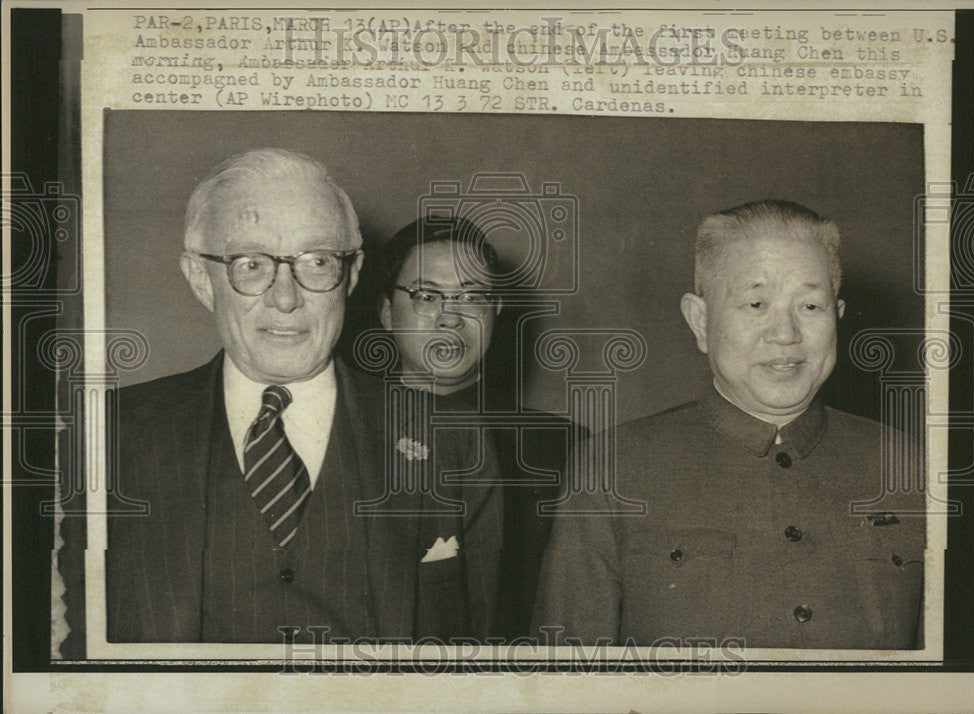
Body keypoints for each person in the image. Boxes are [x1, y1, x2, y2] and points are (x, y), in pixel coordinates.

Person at [96, 148, 501, 644]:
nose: (285, 298)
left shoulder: (452, 442)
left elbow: (476, 650)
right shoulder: (106, 434)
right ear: (202, 279)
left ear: (349, 277)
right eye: (250, 264)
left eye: (317, 261)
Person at [533, 199, 925, 649]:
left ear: (837, 316)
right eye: (756, 303)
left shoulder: (903, 464)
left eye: (811, 306)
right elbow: (566, 680)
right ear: (700, 320)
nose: (785, 333)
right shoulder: (613, 467)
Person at [376, 216, 582, 639]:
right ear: (385, 312)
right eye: (426, 295)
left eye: (472, 296)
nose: (450, 317)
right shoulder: (341, 434)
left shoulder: (561, 450)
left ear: (496, 311)